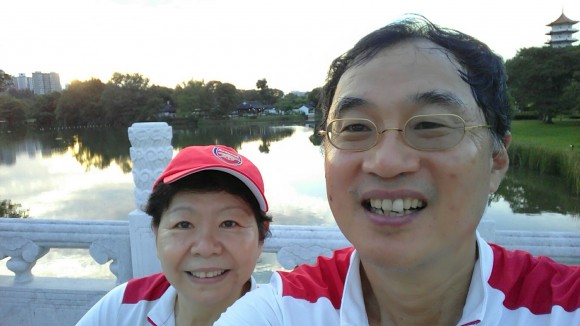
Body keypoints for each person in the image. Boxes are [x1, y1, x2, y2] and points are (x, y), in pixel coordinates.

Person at [216, 16, 580, 325]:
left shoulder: (561, 308)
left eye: (430, 125)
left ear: (496, 161)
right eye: (356, 128)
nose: (386, 162)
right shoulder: (283, 312)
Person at [77, 145, 272, 326]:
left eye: (229, 223)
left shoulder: (285, 316)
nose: (205, 248)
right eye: (184, 224)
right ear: (156, 233)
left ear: (260, 235)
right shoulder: (123, 308)